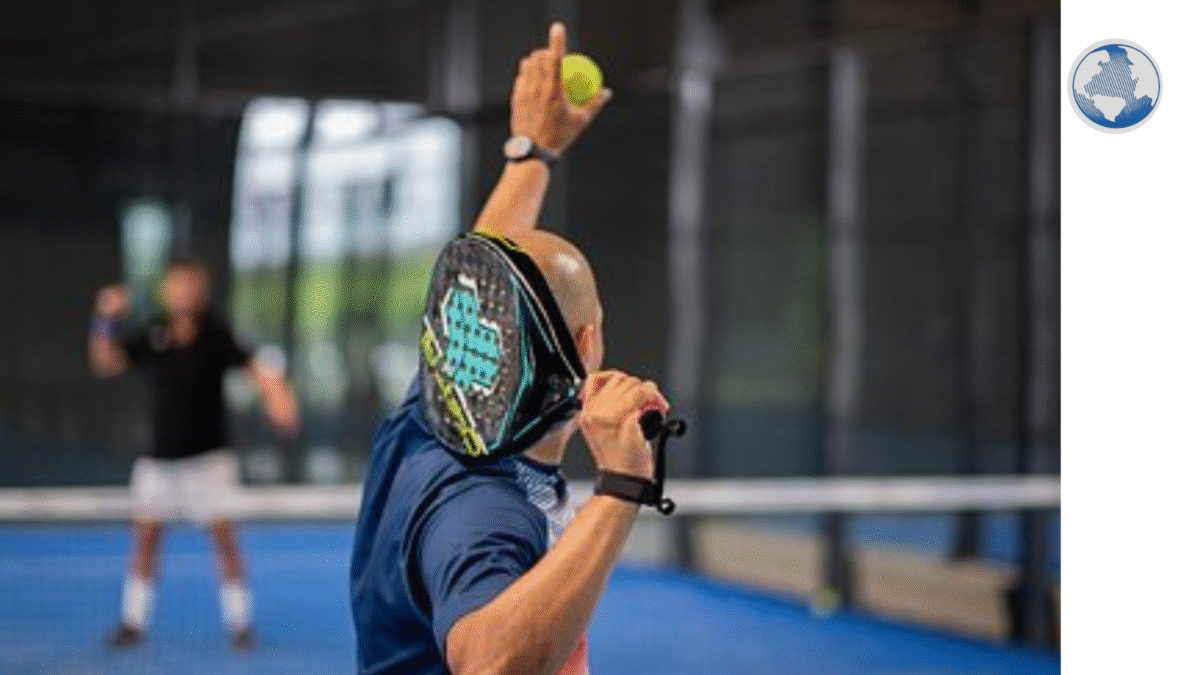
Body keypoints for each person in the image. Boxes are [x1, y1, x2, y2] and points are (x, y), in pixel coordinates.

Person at [350, 22, 669, 675]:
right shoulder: (484, 508)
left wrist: (532, 152)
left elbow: (483, 286)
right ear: (588, 341)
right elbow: (489, 661)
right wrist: (620, 488)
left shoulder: (432, 417)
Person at [89, 256, 300, 651]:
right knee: (145, 539)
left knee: (225, 540)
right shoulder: (150, 332)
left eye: (191, 283)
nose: (184, 291)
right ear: (166, 289)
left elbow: (260, 372)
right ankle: (133, 621)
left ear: (201, 289)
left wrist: (279, 399)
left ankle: (240, 623)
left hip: (210, 462)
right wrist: (105, 318)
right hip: (158, 462)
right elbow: (106, 361)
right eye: (177, 283)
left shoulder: (217, 335)